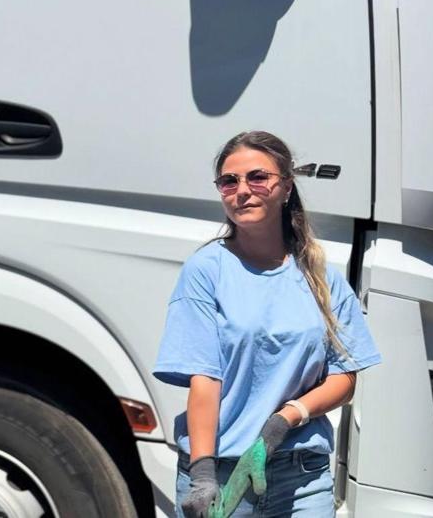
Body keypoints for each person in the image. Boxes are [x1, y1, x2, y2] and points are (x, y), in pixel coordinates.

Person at [153, 131, 381, 518]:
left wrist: (285, 418)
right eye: (229, 181)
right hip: (225, 475)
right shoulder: (205, 271)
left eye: (258, 177)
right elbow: (204, 379)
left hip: (302, 476)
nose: (243, 190)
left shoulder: (321, 277)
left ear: (286, 187)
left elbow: (345, 377)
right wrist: (203, 475)